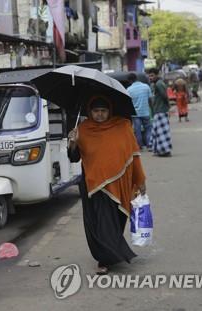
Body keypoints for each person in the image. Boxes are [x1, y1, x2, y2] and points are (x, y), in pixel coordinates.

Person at [67, 96, 146, 275]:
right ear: (90, 112)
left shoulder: (123, 127)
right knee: (100, 223)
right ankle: (104, 260)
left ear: (110, 111)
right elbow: (74, 157)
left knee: (116, 221)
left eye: (103, 111)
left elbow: (134, 156)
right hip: (94, 185)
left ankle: (112, 252)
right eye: (96, 111)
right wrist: (73, 142)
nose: (100, 115)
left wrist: (140, 180)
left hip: (120, 184)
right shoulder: (83, 130)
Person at [148, 68, 173, 157]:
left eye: (152, 75)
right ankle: (158, 150)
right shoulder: (154, 84)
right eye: (149, 76)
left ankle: (165, 151)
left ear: (157, 75)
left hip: (161, 111)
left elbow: (165, 97)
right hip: (157, 111)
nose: (150, 77)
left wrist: (168, 107)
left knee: (163, 132)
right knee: (157, 132)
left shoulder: (159, 84)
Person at [127, 73, 152, 149]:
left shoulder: (129, 89)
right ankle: (149, 144)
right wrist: (152, 109)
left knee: (137, 131)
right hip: (146, 112)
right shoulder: (146, 87)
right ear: (136, 78)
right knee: (148, 129)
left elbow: (128, 102)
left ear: (129, 81)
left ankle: (139, 146)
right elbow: (150, 99)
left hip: (135, 114)